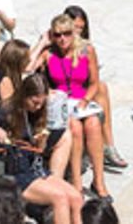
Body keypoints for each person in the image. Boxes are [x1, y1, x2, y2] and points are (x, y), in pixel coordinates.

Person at [0, 74, 83, 224]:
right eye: (35, 102)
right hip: (16, 171)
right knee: (60, 198)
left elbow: (39, 150)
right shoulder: (5, 110)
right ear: (24, 95)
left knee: (76, 197)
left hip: (34, 167)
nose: (38, 107)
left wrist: (41, 142)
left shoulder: (37, 113)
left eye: (42, 103)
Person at [39, 14, 112, 202]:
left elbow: (95, 83)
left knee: (93, 124)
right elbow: (30, 73)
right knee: (75, 127)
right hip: (61, 103)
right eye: (57, 35)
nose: (62, 38)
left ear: (73, 33)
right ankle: (77, 182)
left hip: (81, 100)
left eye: (67, 34)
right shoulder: (49, 54)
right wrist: (41, 43)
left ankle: (99, 181)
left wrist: (86, 100)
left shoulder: (87, 51)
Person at [62, 6, 127, 169]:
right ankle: (105, 148)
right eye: (74, 27)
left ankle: (109, 146)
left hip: (80, 87)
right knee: (100, 89)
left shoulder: (85, 47)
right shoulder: (58, 41)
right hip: (64, 91)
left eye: (81, 28)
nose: (77, 32)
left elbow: (92, 77)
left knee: (101, 88)